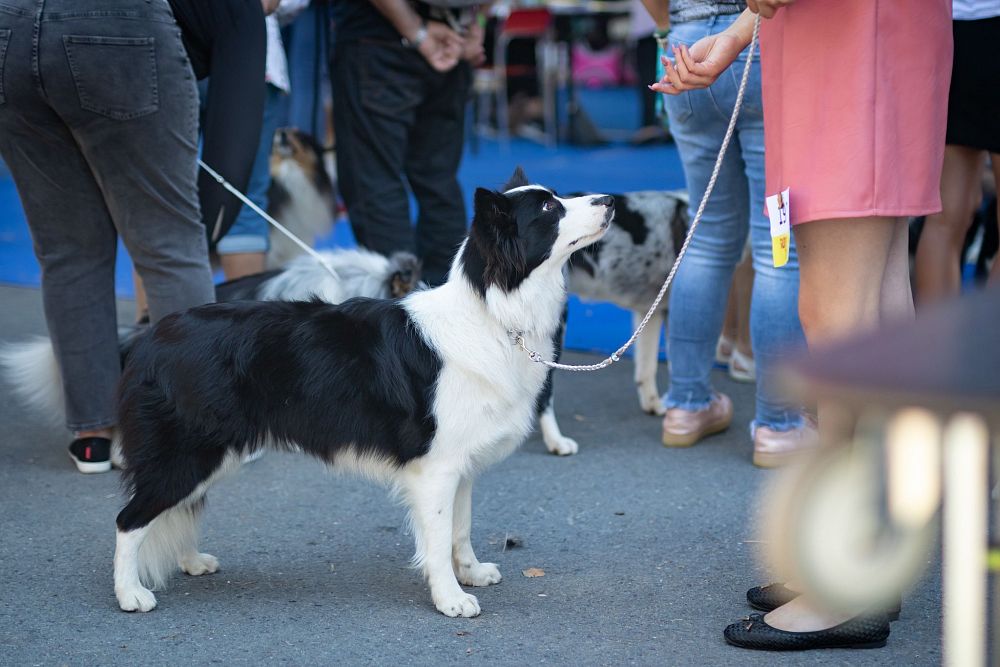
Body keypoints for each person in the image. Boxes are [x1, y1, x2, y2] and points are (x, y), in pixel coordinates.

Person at [653, 0, 952, 651]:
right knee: (873, 298)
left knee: (842, 313)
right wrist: (737, 35)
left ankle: (847, 571)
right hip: (841, 34)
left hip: (853, 36)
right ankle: (867, 552)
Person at [0, 0, 216, 473]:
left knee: (67, 252)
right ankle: (194, 424)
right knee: (169, 248)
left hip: (9, 27)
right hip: (120, 25)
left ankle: (93, 433)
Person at [641, 0, 811, 468]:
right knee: (778, 247)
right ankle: (778, 426)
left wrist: (665, 28)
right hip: (763, 40)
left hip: (685, 43)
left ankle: (685, 406)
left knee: (707, 235)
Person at [330, 0, 484, 286]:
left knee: (375, 181)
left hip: (383, 38)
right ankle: (445, 300)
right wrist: (474, 24)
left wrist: (417, 32)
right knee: (438, 181)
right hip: (452, 35)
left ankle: (397, 306)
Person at [914, 1, 1000, 304]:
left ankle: (937, 350)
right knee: (946, 219)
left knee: (944, 221)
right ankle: (991, 350)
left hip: (949, 28)